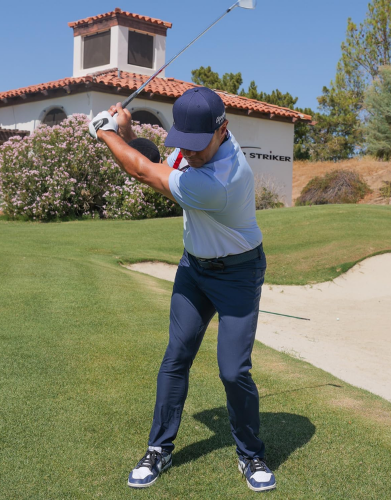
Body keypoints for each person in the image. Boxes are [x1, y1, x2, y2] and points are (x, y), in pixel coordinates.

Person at [89, 87, 276, 492]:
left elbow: (143, 172)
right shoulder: (199, 148)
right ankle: (158, 448)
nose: (188, 153)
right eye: (184, 143)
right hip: (194, 269)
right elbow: (158, 160)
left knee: (233, 371)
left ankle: (251, 454)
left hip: (238, 274)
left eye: (196, 145)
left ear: (223, 130)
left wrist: (105, 132)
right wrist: (127, 130)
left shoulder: (222, 179)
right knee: (176, 356)